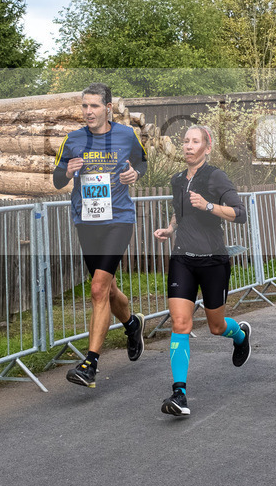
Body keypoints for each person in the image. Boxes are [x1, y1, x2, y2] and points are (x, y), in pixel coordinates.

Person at [52, 83, 148, 388]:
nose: (88, 112)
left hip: (118, 220)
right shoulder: (73, 139)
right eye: (84, 106)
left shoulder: (127, 135)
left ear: (108, 107)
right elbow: (56, 179)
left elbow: (143, 162)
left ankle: (89, 364)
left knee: (97, 288)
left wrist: (135, 174)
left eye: (94, 106)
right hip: (87, 222)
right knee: (105, 290)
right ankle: (132, 324)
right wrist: (67, 172)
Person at [153, 125, 250, 417]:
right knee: (180, 324)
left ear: (207, 148)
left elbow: (240, 213)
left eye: (195, 142)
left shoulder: (215, 176)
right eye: (185, 141)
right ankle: (179, 393)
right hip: (183, 259)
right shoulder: (177, 179)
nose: (188, 146)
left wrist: (209, 205)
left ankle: (241, 335)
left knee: (216, 326)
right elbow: (179, 211)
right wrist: (170, 228)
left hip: (213, 260)